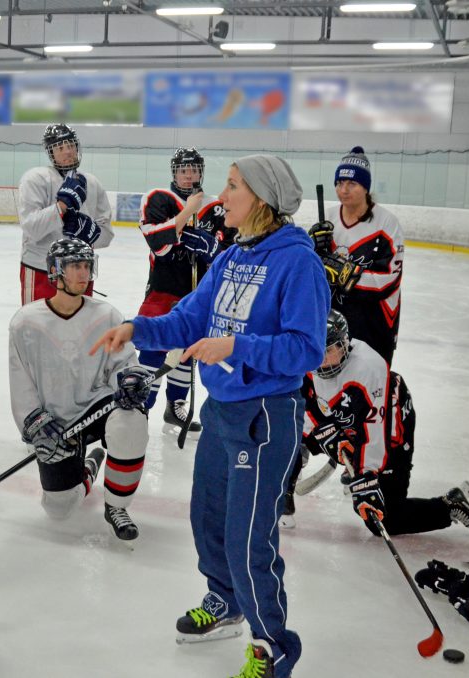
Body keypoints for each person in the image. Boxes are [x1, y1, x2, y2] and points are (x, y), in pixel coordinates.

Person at [91, 155, 330, 678]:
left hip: (265, 416)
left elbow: (306, 349)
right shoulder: (231, 256)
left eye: (234, 186)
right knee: (209, 519)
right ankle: (224, 601)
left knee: (249, 537)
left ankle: (272, 646)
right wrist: (138, 330)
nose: (222, 195)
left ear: (262, 201)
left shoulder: (297, 263)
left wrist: (235, 346)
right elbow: (189, 318)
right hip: (224, 411)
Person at [286, 310, 469, 537]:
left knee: (382, 517)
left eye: (329, 350)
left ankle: (452, 504)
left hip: (391, 423)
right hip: (341, 416)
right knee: (286, 431)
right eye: (317, 350)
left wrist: (365, 477)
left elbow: (373, 432)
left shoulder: (369, 368)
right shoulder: (306, 356)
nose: (321, 359)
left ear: (344, 345)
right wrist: (322, 431)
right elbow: (295, 399)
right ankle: (281, 492)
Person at [10, 237, 151, 542]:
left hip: (98, 407)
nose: (83, 273)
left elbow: (123, 364)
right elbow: (20, 381)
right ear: (54, 271)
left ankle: (116, 506)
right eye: (74, 266)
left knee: (132, 420)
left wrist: (129, 380)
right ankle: (90, 466)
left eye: (86, 265)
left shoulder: (106, 315)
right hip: (57, 421)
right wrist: (35, 424)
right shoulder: (26, 323)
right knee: (59, 509)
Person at [137, 147, 235, 437]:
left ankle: (175, 404)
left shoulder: (218, 206)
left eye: (193, 170)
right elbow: (159, 244)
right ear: (174, 172)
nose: (189, 175)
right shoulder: (158, 198)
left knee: (188, 351)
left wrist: (210, 247)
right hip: (163, 288)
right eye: (183, 170)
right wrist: (188, 211)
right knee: (154, 344)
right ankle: (143, 403)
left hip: (199, 292)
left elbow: (228, 255)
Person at [308, 146, 403, 364]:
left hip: (374, 326)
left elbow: (389, 281)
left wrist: (346, 274)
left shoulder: (387, 224)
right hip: (333, 325)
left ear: (366, 187)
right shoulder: (328, 219)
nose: (344, 190)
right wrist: (311, 247)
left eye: (352, 183)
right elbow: (313, 269)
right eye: (340, 183)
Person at [16, 124, 113, 304]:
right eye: (60, 148)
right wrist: (60, 207)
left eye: (71, 145)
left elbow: (107, 235)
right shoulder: (35, 178)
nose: (68, 151)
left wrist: (90, 233)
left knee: (80, 330)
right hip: (41, 269)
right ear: (51, 153)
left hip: (81, 272)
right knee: (36, 327)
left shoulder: (92, 183)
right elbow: (32, 228)